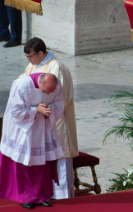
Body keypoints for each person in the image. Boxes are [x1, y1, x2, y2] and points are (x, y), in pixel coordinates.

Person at [20, 37, 79, 199]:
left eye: (30, 56)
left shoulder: (56, 67)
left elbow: (62, 97)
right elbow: (22, 86)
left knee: (59, 158)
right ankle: (45, 195)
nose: (28, 59)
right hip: (38, 121)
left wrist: (41, 108)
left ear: (40, 53)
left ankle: (64, 199)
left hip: (56, 120)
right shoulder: (30, 67)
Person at [0, 73, 64, 209]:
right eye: (45, 91)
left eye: (50, 92)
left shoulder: (56, 85)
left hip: (43, 127)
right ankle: (25, 196)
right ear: (40, 83)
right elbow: (15, 111)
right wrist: (36, 110)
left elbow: (59, 103)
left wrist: (49, 109)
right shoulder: (22, 85)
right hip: (22, 129)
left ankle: (41, 196)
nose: (47, 94)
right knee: (24, 163)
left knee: (42, 162)